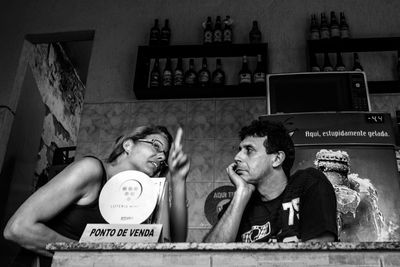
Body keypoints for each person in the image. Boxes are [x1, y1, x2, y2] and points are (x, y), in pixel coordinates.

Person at [4, 125, 190, 265]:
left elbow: (174, 247)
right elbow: (18, 228)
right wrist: (94, 255)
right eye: (156, 146)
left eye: (164, 156)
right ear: (128, 145)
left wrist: (178, 179)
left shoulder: (139, 199)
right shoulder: (90, 170)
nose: (161, 157)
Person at [204, 119, 338, 243]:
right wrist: (241, 194)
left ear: (277, 159)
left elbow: (321, 254)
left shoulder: (308, 183)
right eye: (240, 150)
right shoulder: (237, 205)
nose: (237, 157)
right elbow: (208, 257)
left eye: (249, 150)